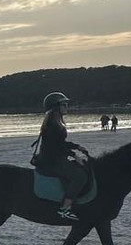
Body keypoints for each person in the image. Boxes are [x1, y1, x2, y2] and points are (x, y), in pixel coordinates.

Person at [32, 93, 90, 222]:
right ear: (55, 107)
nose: (66, 106)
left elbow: (60, 143)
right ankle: (64, 209)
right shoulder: (53, 124)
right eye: (63, 104)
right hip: (52, 160)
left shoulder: (54, 120)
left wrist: (77, 147)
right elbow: (57, 147)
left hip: (54, 157)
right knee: (80, 177)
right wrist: (75, 155)